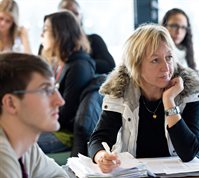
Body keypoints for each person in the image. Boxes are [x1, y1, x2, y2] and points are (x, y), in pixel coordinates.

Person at [88, 24, 199, 173]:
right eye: (155, 60)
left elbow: (189, 153)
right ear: (136, 65)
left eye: (169, 58)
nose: (166, 68)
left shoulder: (188, 91)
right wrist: (101, 157)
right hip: (134, 174)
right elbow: (99, 139)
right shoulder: (120, 92)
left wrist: (169, 101)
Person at [0, 53, 68, 177]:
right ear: (11, 103)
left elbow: (58, 175)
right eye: (46, 90)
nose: (60, 101)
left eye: (55, 88)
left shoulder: (26, 144)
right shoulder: (2, 157)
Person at [38, 11, 96, 153]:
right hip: (54, 126)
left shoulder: (79, 66)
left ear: (60, 33)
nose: (41, 34)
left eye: (45, 30)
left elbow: (66, 113)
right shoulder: (62, 63)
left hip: (64, 134)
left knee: (15, 142)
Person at [58, 0, 115, 74]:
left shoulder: (94, 40)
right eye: (67, 14)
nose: (72, 18)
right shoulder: (46, 46)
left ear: (81, 16)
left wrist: (79, 62)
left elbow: (110, 66)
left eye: (75, 13)